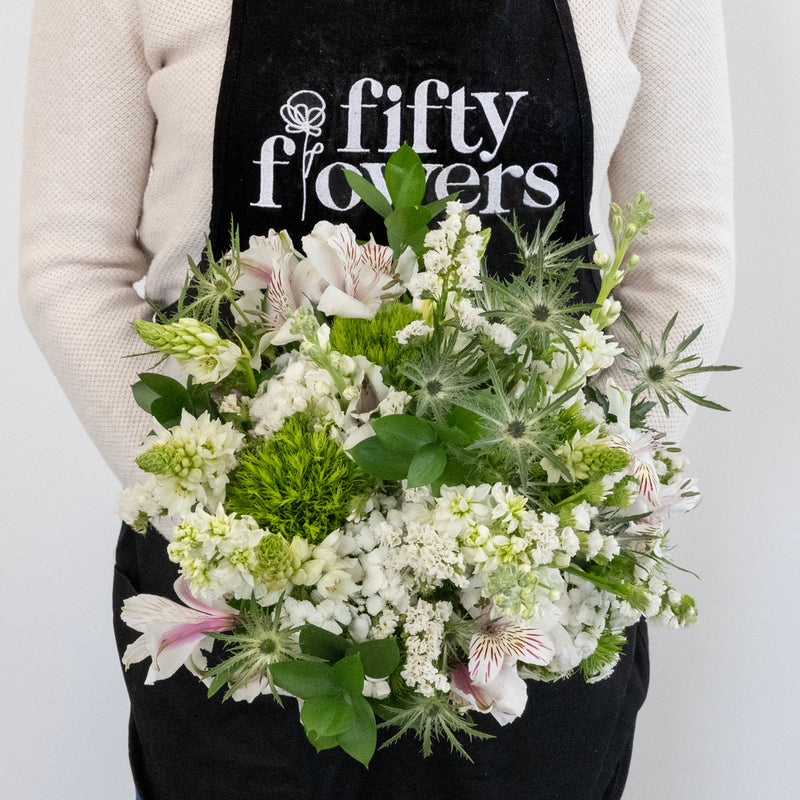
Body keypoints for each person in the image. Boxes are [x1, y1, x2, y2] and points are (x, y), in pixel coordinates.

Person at [19, 1, 734, 798]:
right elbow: (73, 260)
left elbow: (681, 263)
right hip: (244, 598)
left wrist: (565, 511)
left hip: (526, 602)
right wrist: (224, 518)